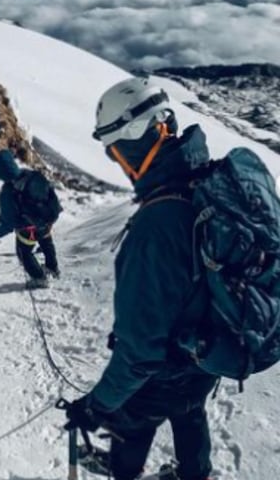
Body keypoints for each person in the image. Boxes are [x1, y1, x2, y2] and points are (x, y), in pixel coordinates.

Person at [61, 77, 217, 480]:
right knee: (189, 411)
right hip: (209, 353)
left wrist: (95, 407)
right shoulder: (204, 181)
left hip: (170, 367)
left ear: (132, 138)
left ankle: (123, 471)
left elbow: (140, 354)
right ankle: (195, 473)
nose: (116, 161)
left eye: (113, 151)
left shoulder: (156, 226)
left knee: (132, 417)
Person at [0, 148, 61, 289]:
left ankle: (39, 278)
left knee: (23, 252)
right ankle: (52, 268)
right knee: (46, 243)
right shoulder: (31, 175)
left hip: (27, 229)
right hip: (46, 221)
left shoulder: (7, 192)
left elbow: (10, 222)